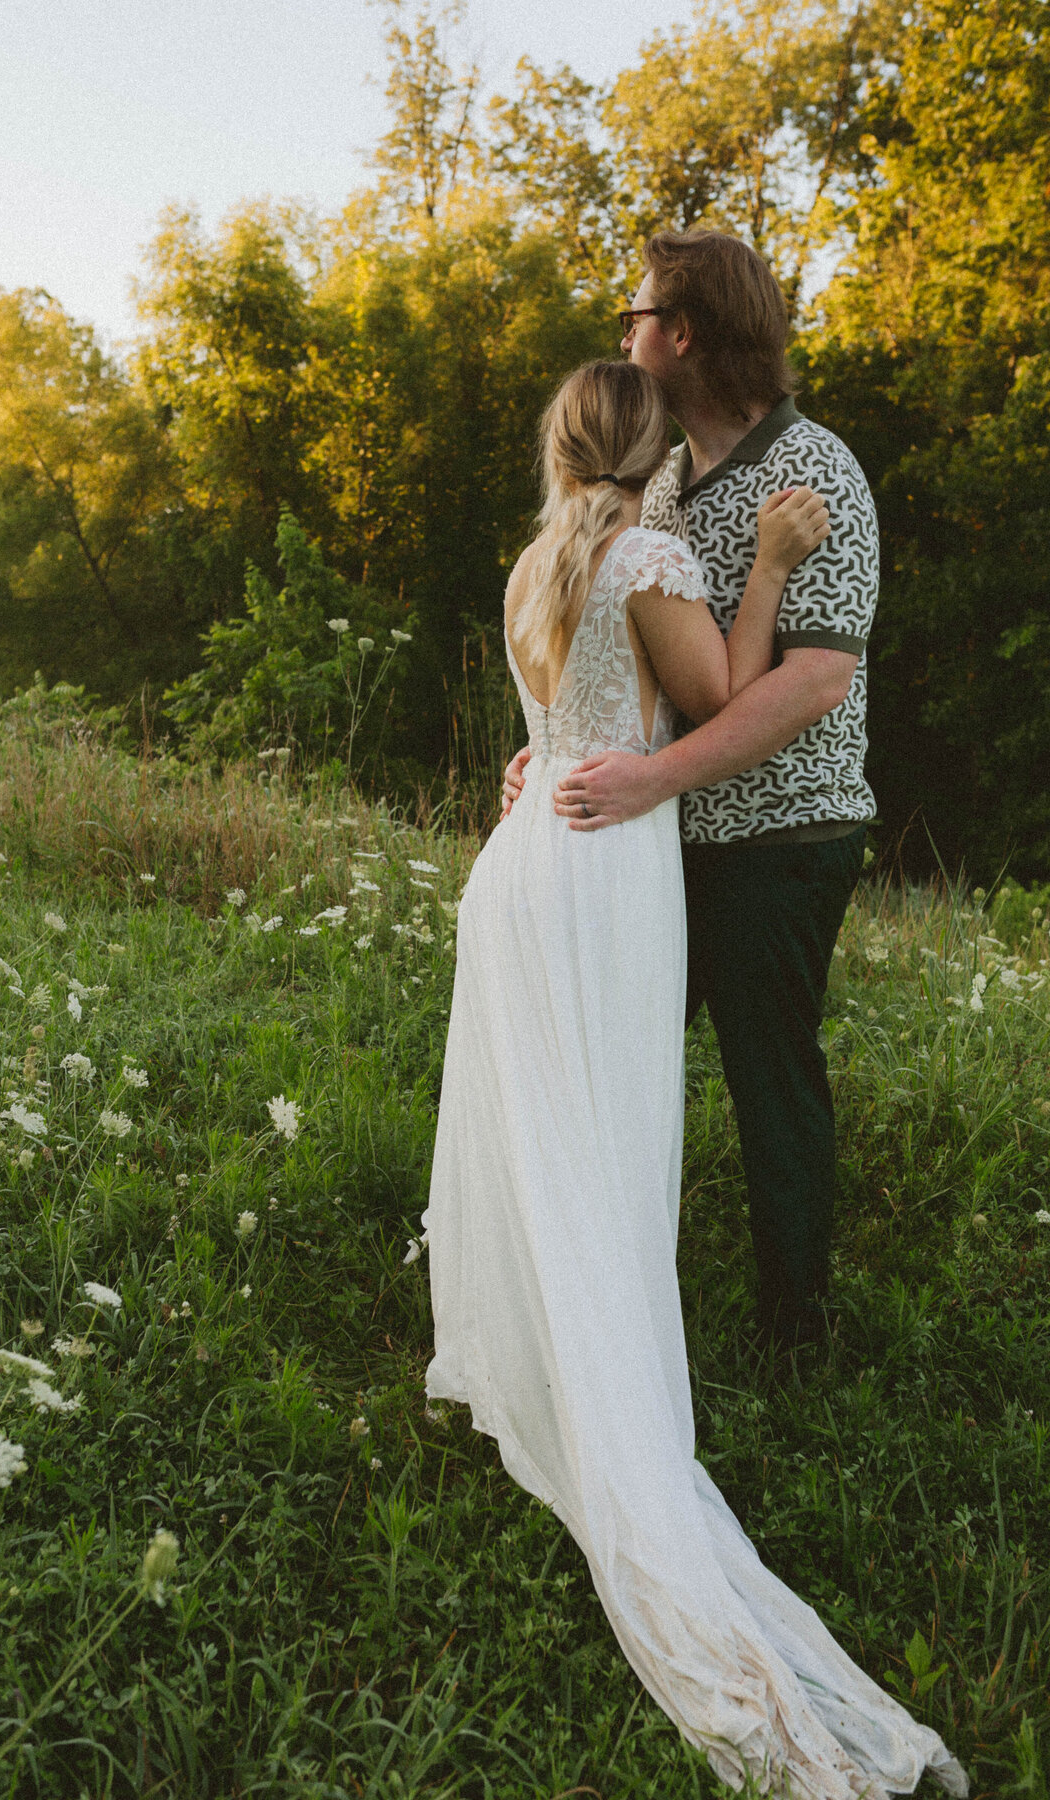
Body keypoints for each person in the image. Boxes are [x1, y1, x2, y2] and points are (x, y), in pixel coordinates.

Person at [423, 357, 967, 1798]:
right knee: (610, 1131)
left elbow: (562, 724)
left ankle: (537, 1333)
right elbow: (720, 690)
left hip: (533, 858)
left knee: (552, 1127)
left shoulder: (543, 555)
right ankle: (610, 1382)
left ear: (558, 444)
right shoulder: (653, 545)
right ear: (648, 442)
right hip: (608, 868)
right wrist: (772, 566)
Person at [505, 229, 876, 1350]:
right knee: (615, 1061)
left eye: (636, 315)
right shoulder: (662, 479)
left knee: (770, 1076)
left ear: (685, 333)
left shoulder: (817, 472)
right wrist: (561, 750)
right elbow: (630, 645)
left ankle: (794, 1330)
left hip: (780, 836)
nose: (622, 332)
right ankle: (601, 1295)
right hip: (652, 839)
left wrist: (649, 775)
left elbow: (813, 681)